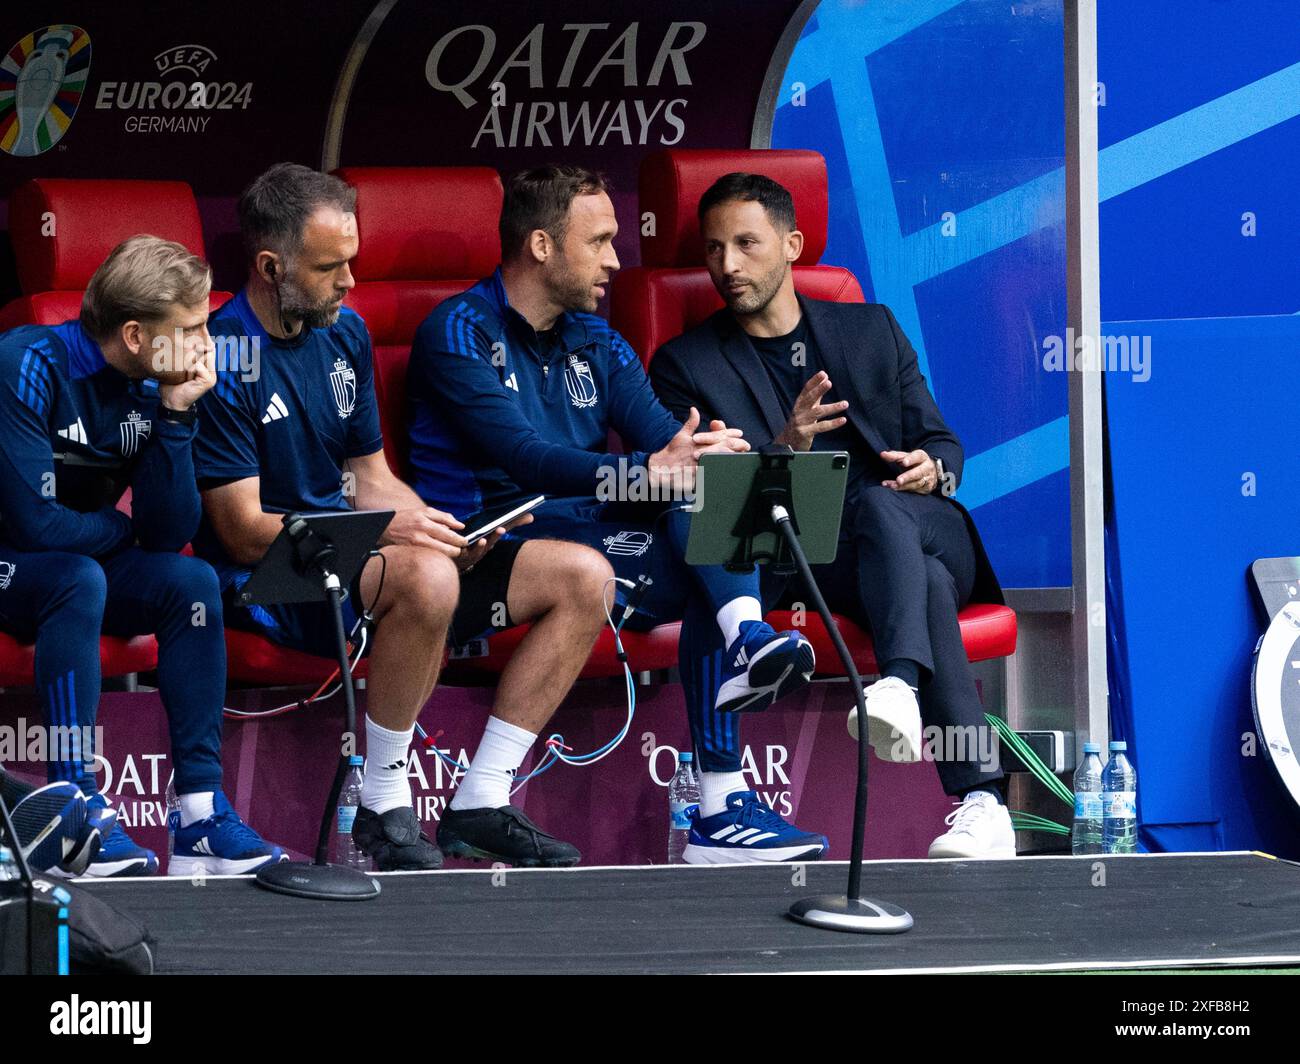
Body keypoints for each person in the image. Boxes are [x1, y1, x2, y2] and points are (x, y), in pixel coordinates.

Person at [193, 163, 613, 870]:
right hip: (272, 578)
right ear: (270, 266)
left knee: (583, 576)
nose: (351, 281)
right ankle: (384, 800)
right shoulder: (221, 354)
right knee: (424, 578)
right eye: (332, 266)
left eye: (354, 260)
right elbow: (242, 529)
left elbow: (370, 478)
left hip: (362, 560)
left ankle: (481, 799)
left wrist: (445, 530)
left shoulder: (345, 333)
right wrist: (400, 537)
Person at [406, 165, 829, 864]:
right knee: (701, 531)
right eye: (599, 241)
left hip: (592, 533)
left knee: (712, 497)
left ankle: (738, 694)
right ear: (542, 246)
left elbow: (664, 440)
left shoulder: (597, 340)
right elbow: (525, 457)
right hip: (493, 546)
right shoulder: (457, 330)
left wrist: (699, 452)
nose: (614, 260)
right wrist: (651, 470)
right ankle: (723, 798)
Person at [649, 172, 1015, 859]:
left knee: (883, 503)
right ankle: (982, 801)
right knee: (923, 584)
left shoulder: (869, 327)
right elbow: (709, 502)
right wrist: (786, 446)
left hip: (915, 523)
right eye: (714, 249)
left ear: (791, 244)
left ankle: (900, 687)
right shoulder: (685, 363)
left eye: (746, 244)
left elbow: (943, 441)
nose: (727, 265)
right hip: (813, 552)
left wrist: (934, 469)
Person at [0, 235, 285, 876]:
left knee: (189, 579)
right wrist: (115, 530)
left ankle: (199, 815)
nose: (206, 344)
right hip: (12, 561)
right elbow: (33, 525)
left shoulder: (158, 383)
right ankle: (71, 810)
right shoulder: (29, 362)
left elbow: (164, 534)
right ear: (135, 335)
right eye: (190, 328)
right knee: (75, 576)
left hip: (74, 560)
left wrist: (178, 416)